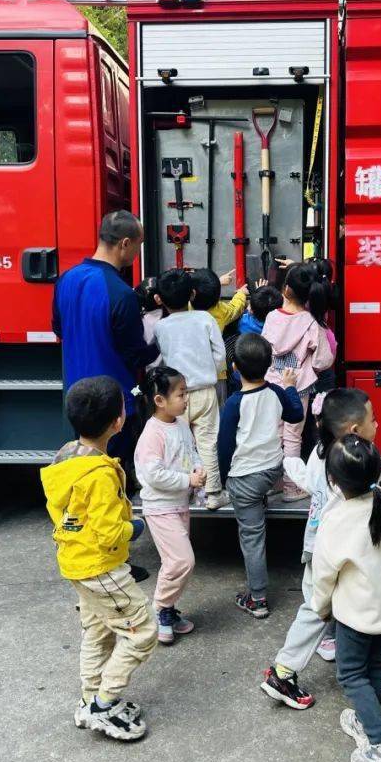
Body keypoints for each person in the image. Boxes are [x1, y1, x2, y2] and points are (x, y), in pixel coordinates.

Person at [261, 389, 381, 710]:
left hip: (322, 545)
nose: (377, 425)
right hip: (337, 550)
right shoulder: (359, 463)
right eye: (373, 419)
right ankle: (283, 671)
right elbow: (378, 474)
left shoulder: (320, 452)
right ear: (354, 431)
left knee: (353, 608)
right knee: (334, 607)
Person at [41, 375, 157, 741]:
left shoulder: (65, 458)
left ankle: (89, 697)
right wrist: (134, 528)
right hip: (102, 567)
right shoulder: (100, 475)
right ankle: (104, 705)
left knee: (98, 631)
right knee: (143, 631)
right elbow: (109, 533)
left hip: (76, 562)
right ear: (117, 422)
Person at [313, 435, 381, 762]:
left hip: (355, 617)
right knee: (375, 665)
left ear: (333, 481)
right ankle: (366, 720)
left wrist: (322, 608)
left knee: (351, 674)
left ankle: (379, 744)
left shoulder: (335, 520)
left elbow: (323, 575)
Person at [53, 210, 158, 465]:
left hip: (77, 401)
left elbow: (59, 330)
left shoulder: (66, 279)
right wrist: (162, 341)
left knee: (85, 478)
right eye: (138, 245)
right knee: (112, 481)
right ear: (125, 243)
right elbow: (135, 354)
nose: (137, 253)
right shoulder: (121, 294)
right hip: (115, 408)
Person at [217, 333, 304, 619]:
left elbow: (225, 445)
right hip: (272, 471)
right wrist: (290, 386)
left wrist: (224, 479)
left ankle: (257, 599)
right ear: (269, 366)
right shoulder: (276, 393)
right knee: (257, 501)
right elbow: (294, 415)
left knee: (252, 537)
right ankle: (259, 501)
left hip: (246, 479)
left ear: (234, 369)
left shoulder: (233, 403)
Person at [133, 366, 205, 645]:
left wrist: (198, 470)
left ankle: (169, 608)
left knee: (176, 563)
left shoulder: (181, 424)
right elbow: (152, 474)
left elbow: (192, 452)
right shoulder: (153, 433)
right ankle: (161, 608)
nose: (186, 399)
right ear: (159, 400)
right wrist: (188, 478)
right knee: (181, 561)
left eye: (185, 393)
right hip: (160, 506)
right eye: (181, 394)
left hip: (178, 503)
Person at [153, 268, 228, 509]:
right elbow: (220, 354)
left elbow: (161, 361)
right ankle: (213, 494)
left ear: (160, 300)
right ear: (192, 294)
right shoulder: (205, 319)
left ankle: (185, 492)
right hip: (206, 391)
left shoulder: (161, 327)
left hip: (176, 393)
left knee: (180, 443)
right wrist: (210, 371)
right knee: (208, 442)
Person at [262, 262, 335, 500]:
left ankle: (273, 482)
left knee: (273, 435)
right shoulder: (312, 323)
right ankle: (292, 487)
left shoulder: (272, 317)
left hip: (272, 386)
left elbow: (263, 351)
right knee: (293, 438)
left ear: (285, 290)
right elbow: (324, 361)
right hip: (299, 390)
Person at [191, 268, 248, 404]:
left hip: (191, 372)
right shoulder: (220, 311)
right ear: (217, 297)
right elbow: (236, 308)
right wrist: (241, 294)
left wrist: (218, 283)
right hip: (216, 374)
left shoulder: (186, 308)